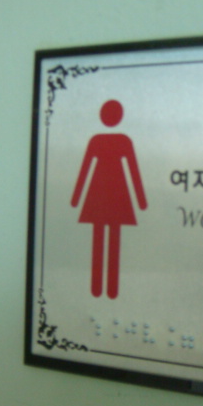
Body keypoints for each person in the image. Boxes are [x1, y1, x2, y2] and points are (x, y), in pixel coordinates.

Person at [71, 100, 147, 299]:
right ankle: (106, 288)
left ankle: (102, 288)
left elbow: (86, 169)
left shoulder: (101, 140)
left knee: (104, 237)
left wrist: (76, 198)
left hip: (102, 191)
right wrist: (141, 201)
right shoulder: (118, 140)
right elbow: (132, 170)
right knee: (110, 237)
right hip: (112, 191)